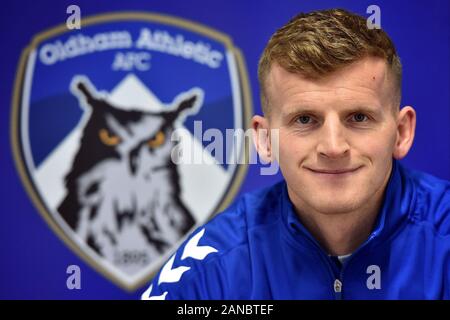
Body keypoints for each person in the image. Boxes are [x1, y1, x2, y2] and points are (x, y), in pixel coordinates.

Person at [141, 8, 450, 300]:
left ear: (402, 132)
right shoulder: (212, 266)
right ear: (264, 140)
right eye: (305, 120)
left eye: (358, 118)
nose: (333, 147)